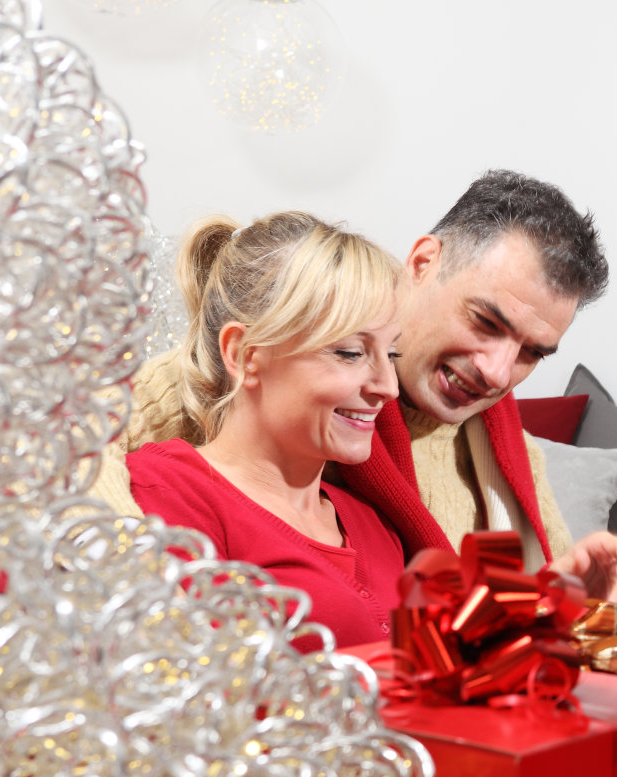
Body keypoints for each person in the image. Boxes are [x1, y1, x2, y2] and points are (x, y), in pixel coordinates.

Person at [95, 171, 617, 619]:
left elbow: (593, 631)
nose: (496, 371)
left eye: (530, 354)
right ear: (423, 262)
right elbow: (63, 466)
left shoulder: (500, 447)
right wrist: (163, 606)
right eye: (487, 322)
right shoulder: (271, 377)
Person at [124, 211, 407, 647]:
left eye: (393, 355)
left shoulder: (376, 527)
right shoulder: (167, 492)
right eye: (350, 353)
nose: (387, 387)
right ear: (244, 355)